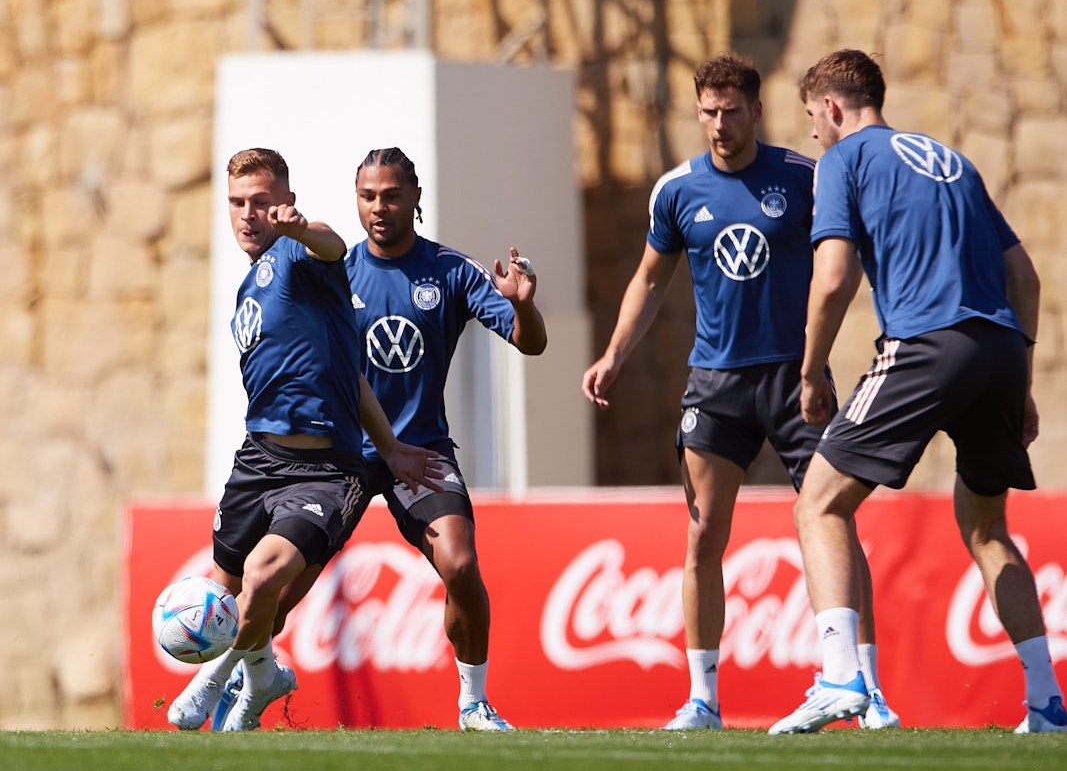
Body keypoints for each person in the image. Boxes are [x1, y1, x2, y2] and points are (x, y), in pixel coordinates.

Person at [581, 52, 898, 730]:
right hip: (715, 383)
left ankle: (863, 687)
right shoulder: (674, 190)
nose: (718, 125)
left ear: (755, 111)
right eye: (707, 113)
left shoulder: (805, 177)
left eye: (731, 112)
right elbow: (647, 279)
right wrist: (612, 355)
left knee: (834, 522)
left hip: (795, 378)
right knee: (701, 537)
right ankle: (701, 699)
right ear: (696, 112)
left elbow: (857, 256)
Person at [769, 49, 1066, 734]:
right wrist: (1019, 380)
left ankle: (841, 676)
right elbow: (1024, 279)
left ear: (833, 108)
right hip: (995, 352)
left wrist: (810, 372)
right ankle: (1047, 702)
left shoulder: (845, 160)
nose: (815, 133)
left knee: (817, 505)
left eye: (814, 119)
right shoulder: (952, 161)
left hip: (925, 346)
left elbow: (834, 276)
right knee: (988, 529)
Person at [167, 148, 441, 732]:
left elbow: (333, 244)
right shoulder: (249, 288)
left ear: (284, 203)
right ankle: (264, 676)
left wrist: (302, 228)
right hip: (256, 461)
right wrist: (389, 444)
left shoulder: (298, 254)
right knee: (225, 596)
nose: (248, 215)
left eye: (261, 203)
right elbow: (353, 376)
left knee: (267, 578)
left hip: (324, 472)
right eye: (237, 203)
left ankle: (209, 683)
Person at [344, 146, 548, 730]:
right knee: (281, 581)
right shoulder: (338, 273)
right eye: (367, 196)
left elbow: (528, 342)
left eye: (390, 195)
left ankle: (473, 701)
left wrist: (524, 307)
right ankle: (243, 679)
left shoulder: (451, 271)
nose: (379, 207)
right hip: (348, 455)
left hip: (422, 449)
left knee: (459, 566)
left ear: (415, 197)